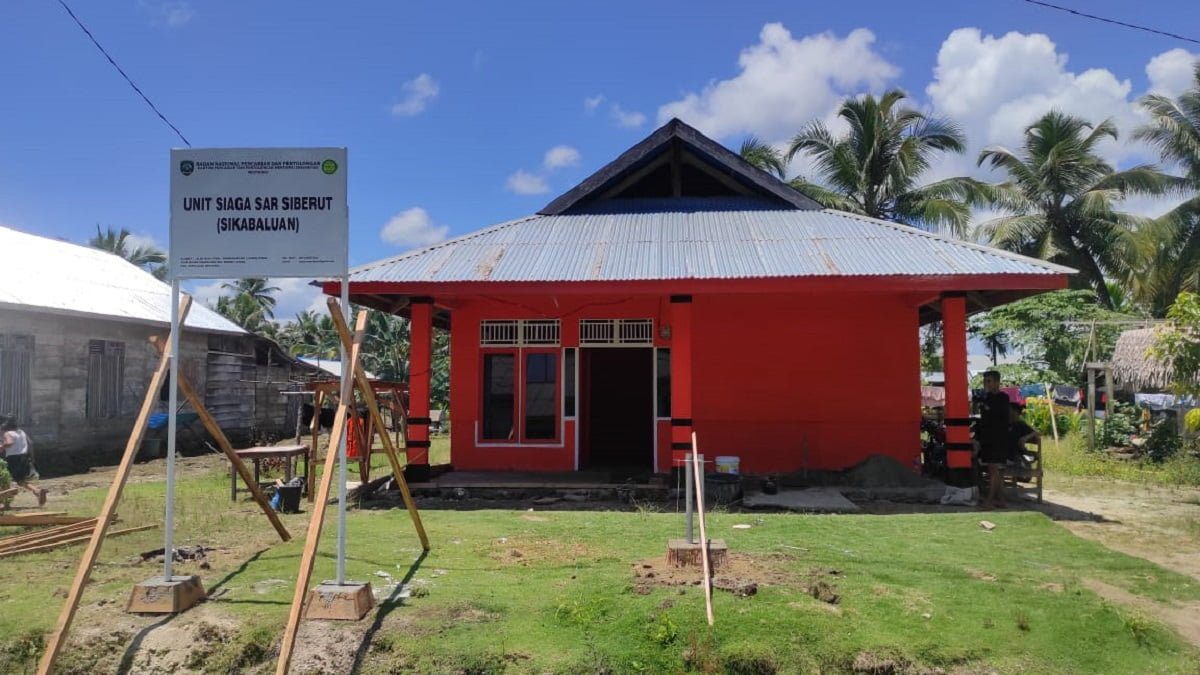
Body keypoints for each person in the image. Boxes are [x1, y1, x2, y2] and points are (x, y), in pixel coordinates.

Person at [976, 371, 1011, 508]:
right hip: (987, 438)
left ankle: (990, 500)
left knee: (994, 469)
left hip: (999, 438)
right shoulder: (986, 397)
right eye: (985, 382)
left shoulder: (1003, 398)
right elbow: (983, 416)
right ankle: (1001, 500)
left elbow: (998, 416)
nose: (987, 384)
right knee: (993, 470)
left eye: (989, 381)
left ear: (997, 382)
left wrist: (987, 407)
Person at [1, 415, 47, 506]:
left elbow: (9, 443)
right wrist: (32, 458)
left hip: (13, 459)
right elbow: (30, 443)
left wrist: (2, 447)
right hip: (24, 457)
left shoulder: (8, 433)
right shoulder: (21, 432)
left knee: (4, 478)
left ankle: (5, 500)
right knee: (20, 480)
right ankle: (37, 491)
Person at [1007, 403, 1041, 480]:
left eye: (1009, 410)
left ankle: (1022, 469)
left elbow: (1037, 432)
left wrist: (1025, 438)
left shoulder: (1021, 425)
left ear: (1015, 412)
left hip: (1014, 454)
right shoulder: (1005, 424)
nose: (1007, 412)